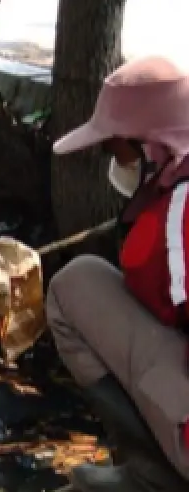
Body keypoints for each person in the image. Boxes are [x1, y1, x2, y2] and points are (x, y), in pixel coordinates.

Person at [46, 55, 189, 491]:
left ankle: (153, 476)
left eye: (114, 145)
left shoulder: (180, 213)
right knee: (84, 277)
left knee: (72, 287)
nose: (111, 156)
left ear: (149, 144)